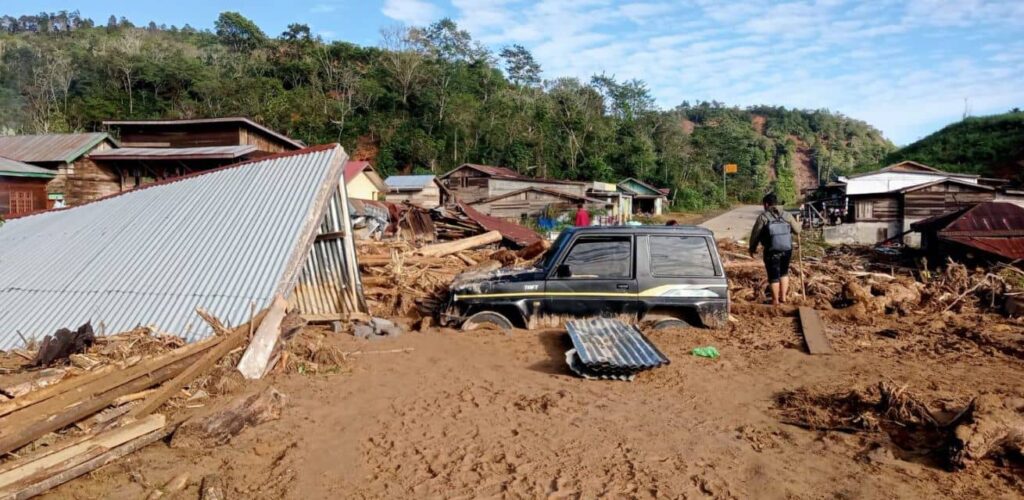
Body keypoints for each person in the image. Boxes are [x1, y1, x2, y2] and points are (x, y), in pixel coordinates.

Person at [749, 193, 801, 306]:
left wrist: (752, 248)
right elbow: (797, 230)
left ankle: (775, 301)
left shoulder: (763, 217)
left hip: (771, 251)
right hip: (787, 250)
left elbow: (755, 234)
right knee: (784, 273)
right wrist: (798, 224)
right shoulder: (787, 215)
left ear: (767, 204)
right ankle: (783, 298)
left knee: (773, 276)